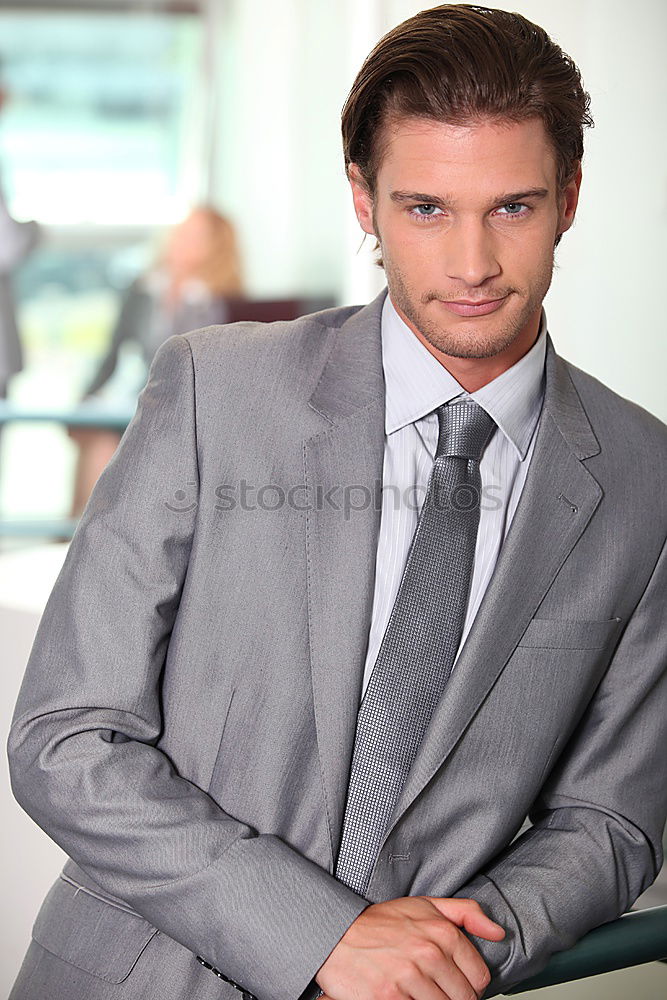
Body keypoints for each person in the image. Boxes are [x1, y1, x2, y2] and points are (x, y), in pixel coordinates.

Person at [7, 5, 667, 1000]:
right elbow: (67, 737)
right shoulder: (211, 393)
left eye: (514, 208)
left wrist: (447, 950)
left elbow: (614, 821)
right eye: (427, 208)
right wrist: (321, 935)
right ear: (363, 199)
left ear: (569, 195)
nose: (473, 264)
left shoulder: (642, 474)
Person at [67, 205, 244, 517]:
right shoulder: (144, 288)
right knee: (97, 440)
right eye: (181, 232)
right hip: (145, 398)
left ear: (216, 247)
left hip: (194, 409)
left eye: (195, 236)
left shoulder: (221, 300)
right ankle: (81, 535)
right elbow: (113, 351)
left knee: (114, 446)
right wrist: (85, 399)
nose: (181, 241)